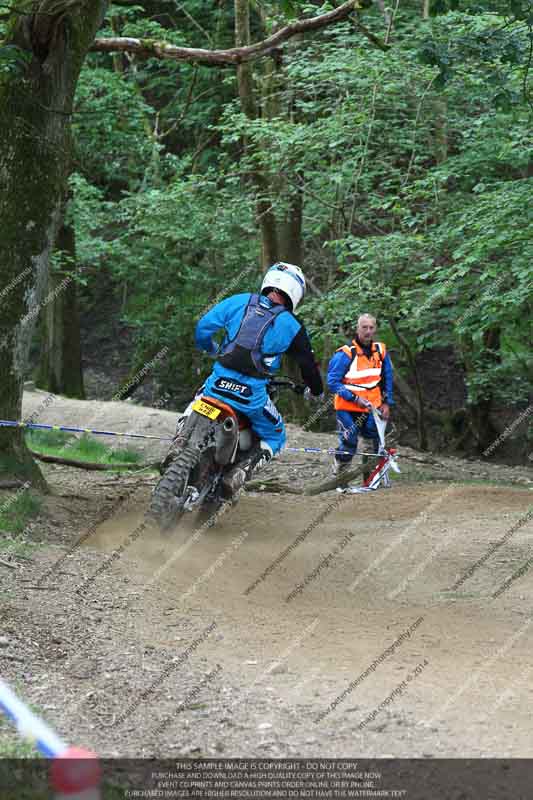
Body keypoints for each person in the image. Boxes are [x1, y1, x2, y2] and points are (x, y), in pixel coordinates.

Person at [194, 262, 324, 494]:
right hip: (250, 396)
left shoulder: (239, 300)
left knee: (197, 401)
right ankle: (240, 472)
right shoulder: (292, 325)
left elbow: (203, 327)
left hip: (215, 386)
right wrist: (315, 390)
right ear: (296, 293)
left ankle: (178, 442)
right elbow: (308, 366)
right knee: (277, 434)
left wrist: (212, 349)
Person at [327, 313, 394, 476]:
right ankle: (340, 478)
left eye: (371, 328)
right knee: (350, 441)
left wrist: (387, 402)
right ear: (357, 329)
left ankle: (370, 479)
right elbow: (332, 382)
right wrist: (355, 398)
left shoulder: (380, 351)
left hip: (373, 406)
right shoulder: (346, 353)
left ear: (375, 329)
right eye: (364, 327)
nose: (368, 331)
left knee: (373, 442)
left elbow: (387, 378)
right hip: (347, 406)